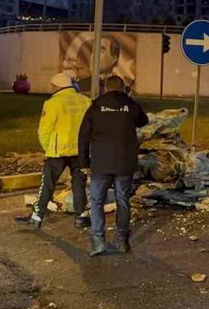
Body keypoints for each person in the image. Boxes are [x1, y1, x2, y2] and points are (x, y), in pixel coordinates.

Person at [79, 76, 149, 257]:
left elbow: (83, 136)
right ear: (122, 89)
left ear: (105, 88)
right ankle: (121, 242)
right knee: (123, 200)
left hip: (101, 162)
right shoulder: (130, 105)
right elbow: (143, 120)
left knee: (96, 201)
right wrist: (129, 98)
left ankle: (97, 241)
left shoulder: (95, 107)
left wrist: (84, 162)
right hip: (124, 162)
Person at [16, 73, 91, 230]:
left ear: (57, 86)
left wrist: (48, 148)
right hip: (80, 150)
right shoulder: (85, 101)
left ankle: (36, 218)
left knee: (47, 184)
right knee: (79, 183)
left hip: (58, 151)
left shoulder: (53, 103)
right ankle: (81, 217)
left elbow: (44, 131)